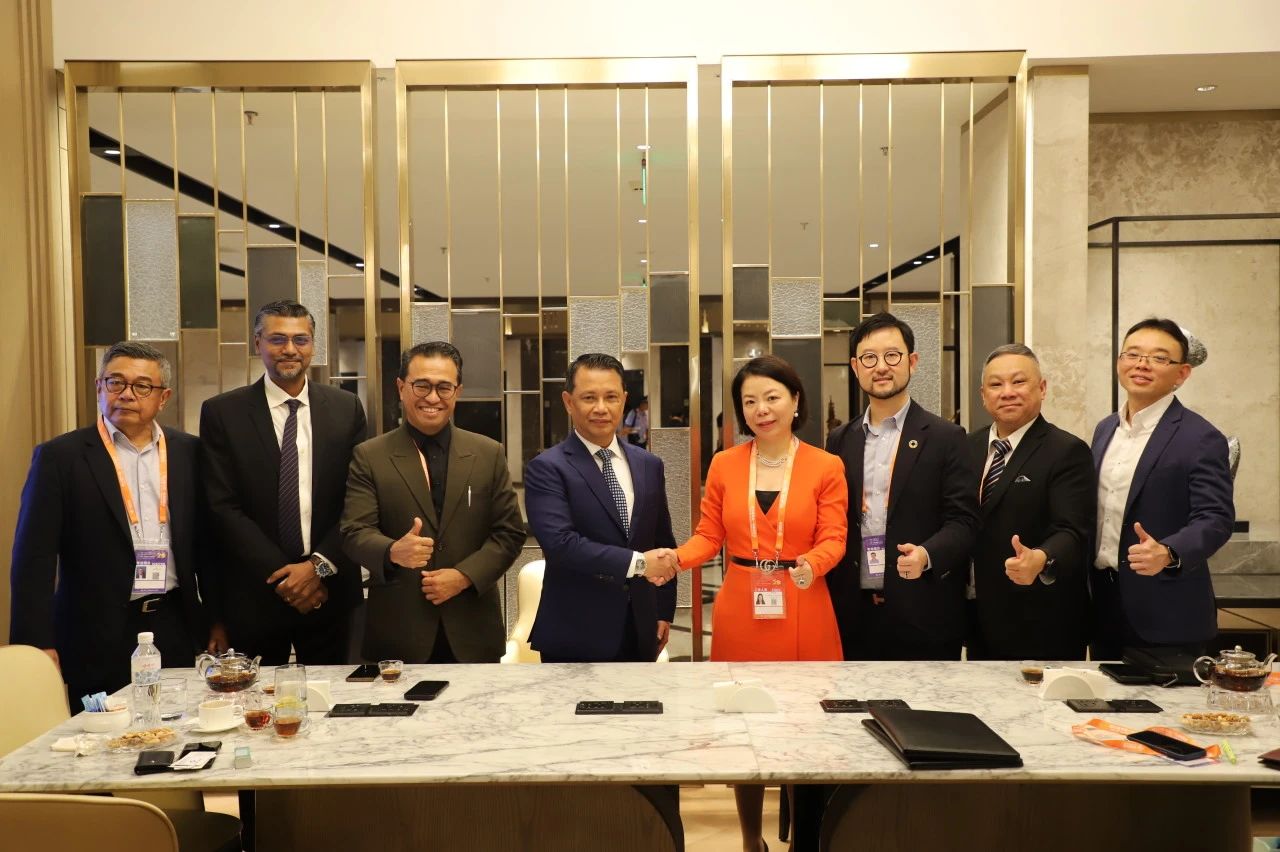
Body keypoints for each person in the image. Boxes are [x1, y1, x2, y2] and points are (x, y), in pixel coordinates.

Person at [675, 355, 848, 852]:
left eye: (772, 397)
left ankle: (803, 840)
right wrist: (674, 560)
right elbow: (709, 535)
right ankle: (751, 839)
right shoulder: (725, 463)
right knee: (742, 723)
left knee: (804, 726)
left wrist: (812, 563)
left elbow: (835, 537)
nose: (761, 409)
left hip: (803, 600)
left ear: (795, 401)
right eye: (749, 401)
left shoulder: (826, 465)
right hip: (741, 605)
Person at [11, 342, 215, 701]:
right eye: (115, 382)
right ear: (99, 387)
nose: (127, 394)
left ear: (163, 397)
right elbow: (33, 557)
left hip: (173, 623)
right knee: (98, 731)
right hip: (94, 631)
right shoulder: (61, 457)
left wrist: (216, 618)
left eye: (142, 386)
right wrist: (35, 643)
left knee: (174, 723)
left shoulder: (189, 451)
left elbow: (209, 543)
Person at [200, 300, 367, 665]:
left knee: (336, 694)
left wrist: (316, 568)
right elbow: (222, 505)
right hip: (255, 593)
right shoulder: (222, 413)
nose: (290, 349)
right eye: (277, 339)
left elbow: (358, 501)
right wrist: (286, 578)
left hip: (330, 591)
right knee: (253, 696)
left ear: (312, 345)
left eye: (300, 339)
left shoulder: (346, 408)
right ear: (257, 343)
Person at [341, 342, 525, 663]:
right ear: (401, 388)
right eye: (422, 385)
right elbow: (354, 532)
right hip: (399, 632)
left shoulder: (488, 453)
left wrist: (464, 576)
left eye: (444, 387)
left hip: (473, 629)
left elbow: (509, 533)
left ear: (458, 392)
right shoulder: (370, 456)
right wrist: (392, 550)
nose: (432, 397)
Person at [825, 312, 980, 661]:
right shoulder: (840, 439)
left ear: (912, 361)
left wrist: (927, 554)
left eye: (892, 355)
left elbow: (965, 521)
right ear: (855, 367)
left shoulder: (946, 437)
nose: (881, 367)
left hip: (922, 608)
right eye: (869, 358)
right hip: (853, 610)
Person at [1090, 318, 1234, 660]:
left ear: (1181, 374)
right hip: (1103, 605)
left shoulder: (1200, 437)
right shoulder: (1105, 429)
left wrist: (1169, 552)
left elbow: (1216, 518)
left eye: (1158, 358)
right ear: (1119, 362)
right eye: (1133, 354)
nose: (1142, 364)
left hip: (1167, 612)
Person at [524, 353, 678, 663]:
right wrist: (639, 564)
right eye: (589, 398)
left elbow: (661, 540)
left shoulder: (649, 464)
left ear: (624, 400)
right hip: (575, 631)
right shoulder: (547, 468)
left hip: (640, 625)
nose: (601, 408)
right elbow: (561, 545)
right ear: (569, 402)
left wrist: (663, 611)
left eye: (611, 397)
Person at [966, 344, 1094, 661]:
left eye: (1019, 381)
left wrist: (1042, 557)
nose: (1007, 392)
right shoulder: (967, 446)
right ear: (983, 395)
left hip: (1042, 618)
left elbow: (1073, 530)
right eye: (996, 384)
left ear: (1042, 388)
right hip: (978, 615)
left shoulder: (1066, 450)